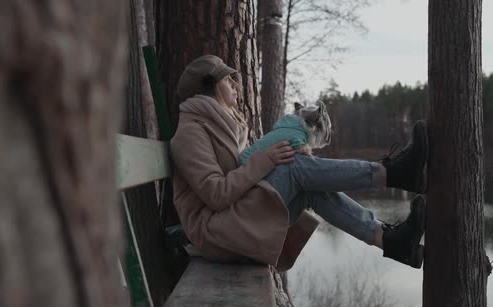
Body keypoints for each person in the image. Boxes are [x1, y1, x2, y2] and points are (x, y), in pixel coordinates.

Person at [170, 54, 428, 271]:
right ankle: (394, 173)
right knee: (293, 168)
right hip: (215, 234)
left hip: (232, 222)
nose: (235, 85)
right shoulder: (190, 133)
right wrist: (267, 160)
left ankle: (392, 241)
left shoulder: (220, 125)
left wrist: (271, 161)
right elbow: (216, 194)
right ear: (210, 86)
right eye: (227, 80)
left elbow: (241, 173)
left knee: (305, 179)